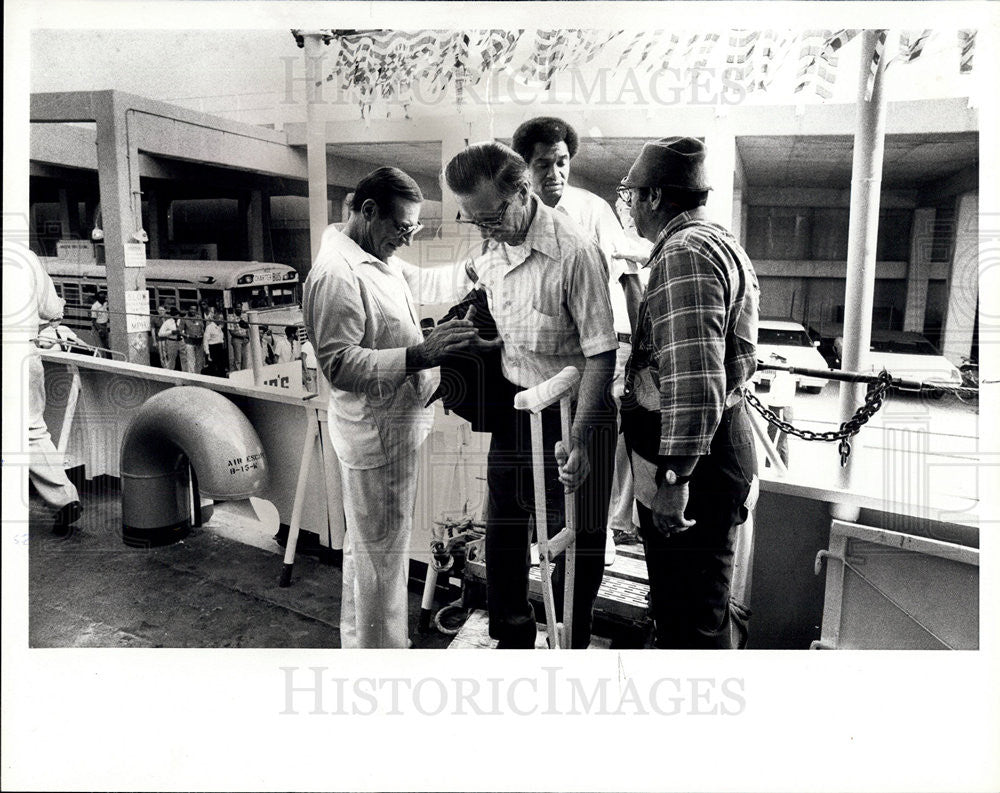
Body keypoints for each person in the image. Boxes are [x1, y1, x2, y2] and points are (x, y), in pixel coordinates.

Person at [444, 141, 618, 649]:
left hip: (578, 412)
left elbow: (602, 355)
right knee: (503, 529)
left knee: (578, 541)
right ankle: (513, 637)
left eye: (492, 218)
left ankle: (571, 642)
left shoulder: (576, 254)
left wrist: (581, 441)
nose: (485, 231)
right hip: (519, 407)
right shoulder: (493, 243)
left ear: (521, 193)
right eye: (474, 221)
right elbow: (501, 316)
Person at [302, 166, 482, 649]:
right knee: (381, 561)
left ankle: (366, 652)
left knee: (373, 556)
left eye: (413, 229)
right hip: (376, 439)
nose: (406, 239)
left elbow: (418, 284)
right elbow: (339, 365)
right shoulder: (336, 276)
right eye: (401, 227)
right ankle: (382, 667)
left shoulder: (372, 256)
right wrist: (422, 354)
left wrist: (472, 270)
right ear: (367, 211)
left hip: (394, 429)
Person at [619, 136, 760, 649]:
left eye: (631, 193)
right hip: (712, 452)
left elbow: (696, 378)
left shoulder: (683, 253)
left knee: (688, 624)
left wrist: (675, 478)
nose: (628, 203)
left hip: (693, 466)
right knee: (697, 612)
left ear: (655, 196)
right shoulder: (716, 240)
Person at [512, 117, 645, 563]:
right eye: (543, 164)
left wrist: (639, 344)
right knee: (548, 466)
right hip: (542, 366)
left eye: (562, 162)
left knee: (598, 451)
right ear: (524, 169)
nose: (555, 173)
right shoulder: (515, 219)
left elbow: (628, 279)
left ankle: (603, 530)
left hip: (601, 350)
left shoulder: (591, 211)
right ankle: (548, 539)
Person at [23, 247, 83, 536]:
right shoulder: (26, 257)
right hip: (24, 355)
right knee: (32, 431)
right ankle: (64, 498)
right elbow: (52, 310)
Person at [179, 305, 205, 373]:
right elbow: (179, 331)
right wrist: (187, 335)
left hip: (199, 342)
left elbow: (202, 328)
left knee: (199, 360)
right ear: (189, 309)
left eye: (195, 309)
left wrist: (202, 334)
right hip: (189, 342)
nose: (193, 311)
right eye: (191, 309)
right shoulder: (184, 319)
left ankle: (198, 375)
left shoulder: (199, 317)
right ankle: (192, 376)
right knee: (191, 360)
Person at [202, 307, 228, 376]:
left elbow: (221, 338)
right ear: (215, 319)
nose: (221, 320)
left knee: (221, 365)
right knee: (213, 366)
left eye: (222, 318)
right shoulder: (209, 327)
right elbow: (205, 340)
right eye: (220, 318)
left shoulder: (219, 327)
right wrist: (207, 352)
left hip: (220, 347)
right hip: (213, 348)